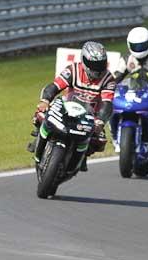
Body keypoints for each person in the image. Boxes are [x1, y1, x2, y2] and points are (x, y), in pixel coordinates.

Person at [29, 41, 116, 171]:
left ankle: (82, 156)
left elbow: (107, 103)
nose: (97, 67)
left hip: (90, 115)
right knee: (40, 115)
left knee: (99, 141)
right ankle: (39, 140)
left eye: (100, 64)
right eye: (93, 64)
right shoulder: (73, 70)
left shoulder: (108, 79)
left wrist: (100, 121)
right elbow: (54, 86)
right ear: (84, 60)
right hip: (67, 108)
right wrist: (45, 101)